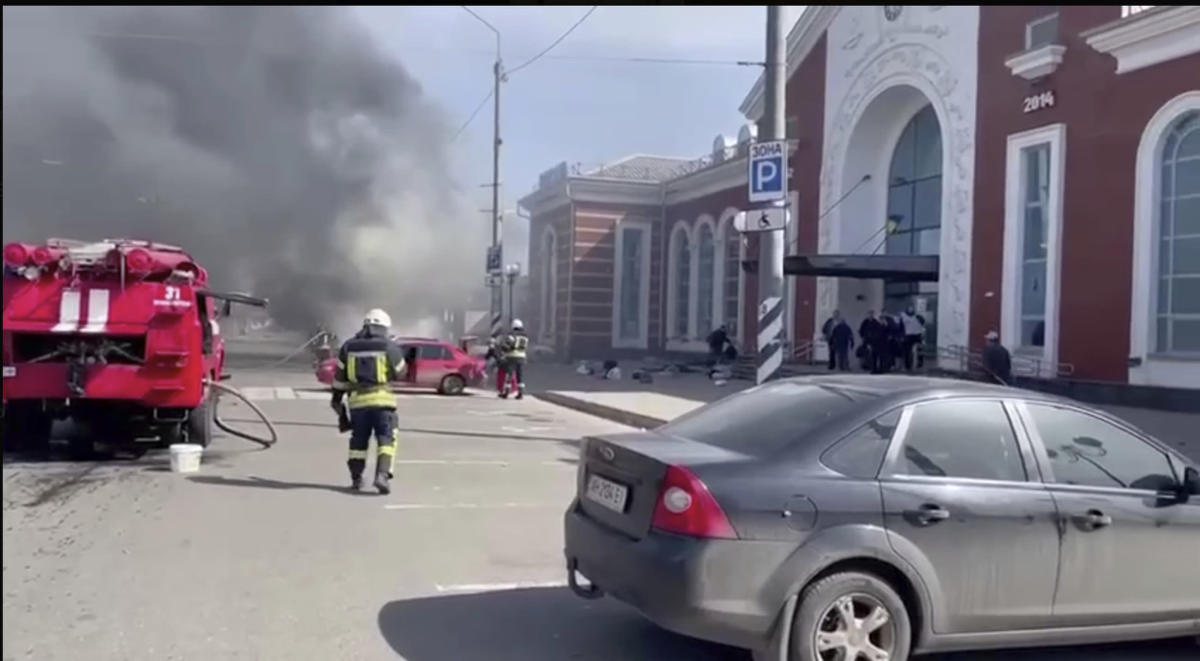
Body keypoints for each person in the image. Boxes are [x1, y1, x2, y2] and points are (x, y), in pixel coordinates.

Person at [330, 308, 407, 494]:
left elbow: (340, 379)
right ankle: (382, 475)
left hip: (358, 404)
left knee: (358, 443)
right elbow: (401, 371)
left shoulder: (348, 346)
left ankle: (356, 478)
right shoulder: (388, 346)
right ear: (384, 328)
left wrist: (337, 401)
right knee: (386, 440)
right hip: (383, 403)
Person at [498, 319, 529, 399]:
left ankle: (506, 392)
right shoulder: (525, 336)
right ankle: (520, 393)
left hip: (512, 357)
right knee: (520, 376)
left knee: (509, 375)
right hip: (522, 357)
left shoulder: (512, 335)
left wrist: (502, 348)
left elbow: (507, 346)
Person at [900, 306, 925, 372]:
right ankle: (908, 366)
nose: (911, 310)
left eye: (912, 308)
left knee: (920, 350)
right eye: (909, 308)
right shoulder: (903, 316)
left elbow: (923, 322)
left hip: (917, 335)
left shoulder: (917, 316)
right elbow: (901, 327)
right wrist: (902, 336)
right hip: (908, 335)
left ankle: (919, 365)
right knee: (907, 351)